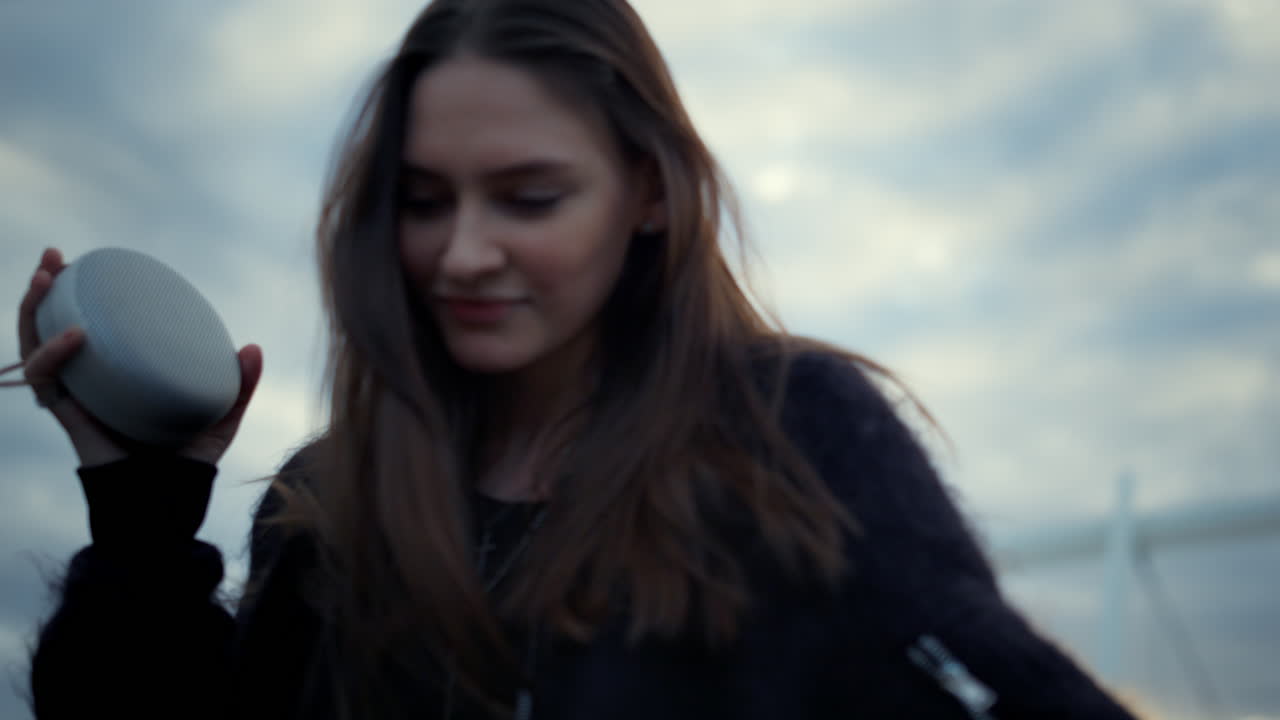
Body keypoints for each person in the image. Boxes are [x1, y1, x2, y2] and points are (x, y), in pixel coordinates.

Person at [17, 1, 1137, 718]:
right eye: (422, 201)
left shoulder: (791, 439)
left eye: (528, 196)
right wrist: (144, 508)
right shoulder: (330, 502)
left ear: (647, 191)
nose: (461, 253)